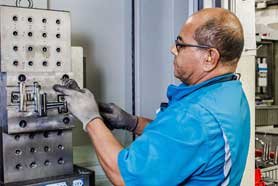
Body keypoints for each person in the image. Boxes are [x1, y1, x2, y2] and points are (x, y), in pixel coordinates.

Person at [53, 8, 250, 186]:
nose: (172, 49)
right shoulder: (230, 92)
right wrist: (133, 123)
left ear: (210, 57)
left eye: (180, 44)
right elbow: (183, 144)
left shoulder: (194, 116)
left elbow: (125, 176)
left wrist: (91, 119)